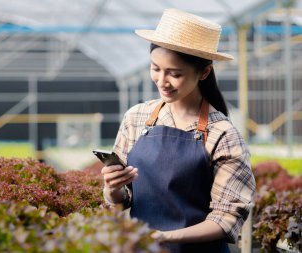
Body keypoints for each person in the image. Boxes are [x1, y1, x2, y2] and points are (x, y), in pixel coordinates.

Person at [101, 8, 256, 253]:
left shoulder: (223, 135)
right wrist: (112, 189)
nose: (162, 81)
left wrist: (165, 237)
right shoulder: (136, 118)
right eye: (155, 68)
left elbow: (226, 218)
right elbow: (123, 199)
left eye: (174, 74)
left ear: (204, 72)